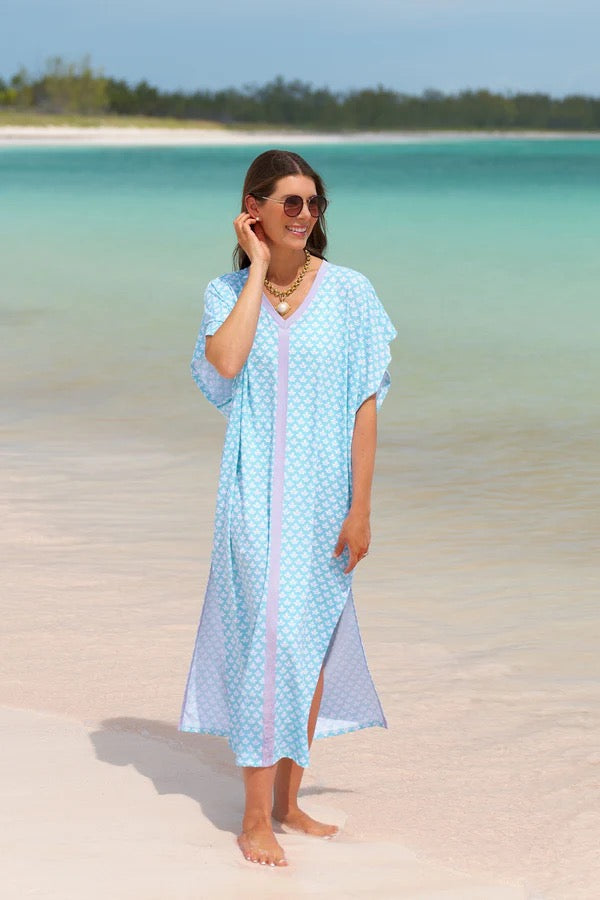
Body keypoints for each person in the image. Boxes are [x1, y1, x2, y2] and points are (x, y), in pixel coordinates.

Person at [178, 149, 397, 867]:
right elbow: (226, 364)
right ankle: (253, 819)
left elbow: (366, 406)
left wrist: (361, 509)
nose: (305, 215)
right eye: (290, 203)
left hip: (326, 499)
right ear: (255, 209)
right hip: (252, 495)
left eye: (313, 203)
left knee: (310, 645)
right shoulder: (225, 293)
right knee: (268, 638)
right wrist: (254, 269)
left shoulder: (352, 292)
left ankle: (288, 803)